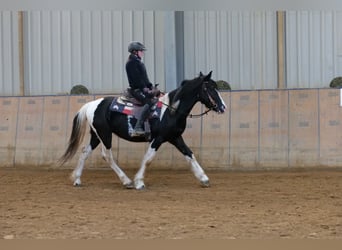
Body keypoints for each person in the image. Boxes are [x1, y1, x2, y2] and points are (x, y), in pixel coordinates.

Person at [125, 41, 156, 136]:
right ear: (135, 52)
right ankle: (137, 127)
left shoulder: (138, 62)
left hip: (142, 88)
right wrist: (144, 88)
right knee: (149, 102)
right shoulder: (131, 63)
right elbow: (137, 79)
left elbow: (144, 78)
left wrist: (151, 86)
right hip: (136, 90)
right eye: (141, 51)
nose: (142, 52)